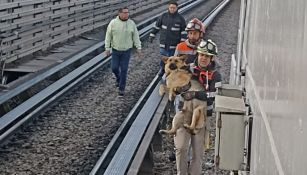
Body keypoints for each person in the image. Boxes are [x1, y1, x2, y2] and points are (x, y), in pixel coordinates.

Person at [174, 39, 222, 175]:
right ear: (197, 54)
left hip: (202, 117)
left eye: (207, 56)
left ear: (211, 58)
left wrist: (194, 93)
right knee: (181, 147)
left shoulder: (215, 75)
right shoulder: (186, 68)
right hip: (184, 114)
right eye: (201, 54)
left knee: (197, 153)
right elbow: (177, 87)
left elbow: (212, 96)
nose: (203, 58)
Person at [105, 6, 142, 97]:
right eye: (125, 13)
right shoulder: (113, 23)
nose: (127, 14)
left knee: (124, 70)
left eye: (127, 12)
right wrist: (107, 48)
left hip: (126, 51)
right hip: (116, 50)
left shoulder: (131, 23)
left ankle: (121, 89)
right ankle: (118, 78)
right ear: (119, 14)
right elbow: (108, 36)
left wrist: (138, 48)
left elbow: (135, 36)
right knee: (114, 68)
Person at [149, 0, 186, 76]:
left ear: (177, 8)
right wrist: (152, 35)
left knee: (173, 62)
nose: (172, 9)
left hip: (174, 45)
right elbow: (157, 26)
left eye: (174, 8)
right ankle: (162, 70)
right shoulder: (163, 16)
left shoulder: (180, 19)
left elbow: (183, 32)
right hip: (163, 44)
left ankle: (171, 74)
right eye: (171, 7)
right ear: (168, 8)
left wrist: (182, 43)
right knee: (164, 59)